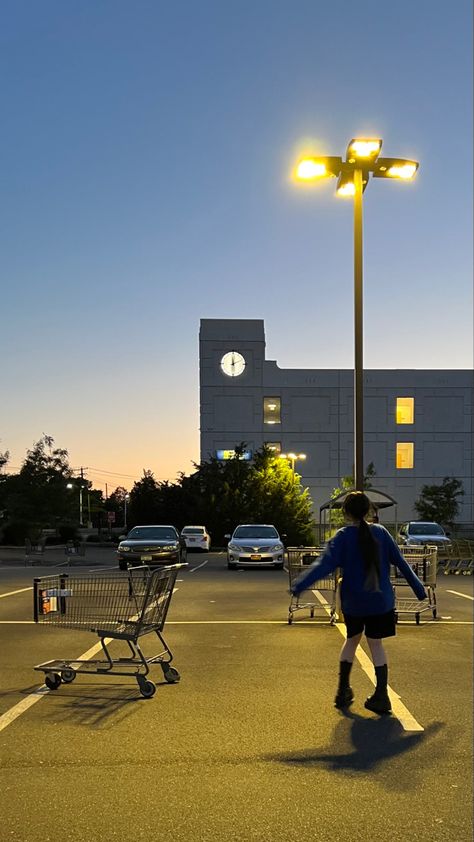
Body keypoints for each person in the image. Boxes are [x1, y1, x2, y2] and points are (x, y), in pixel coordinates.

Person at [291, 491, 427, 715]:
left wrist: (299, 585)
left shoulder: (342, 536)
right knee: (376, 645)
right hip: (380, 601)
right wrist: (419, 590)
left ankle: (343, 690)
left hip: (354, 603)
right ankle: (381, 696)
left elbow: (324, 565)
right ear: (369, 510)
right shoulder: (381, 533)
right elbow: (401, 563)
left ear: (345, 512)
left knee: (351, 641)